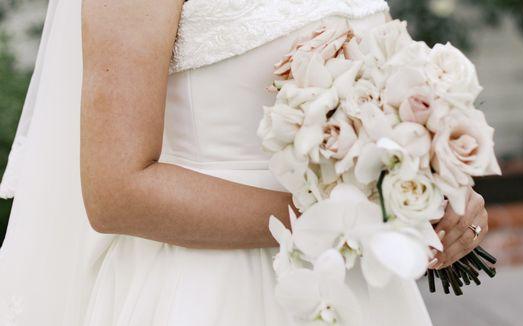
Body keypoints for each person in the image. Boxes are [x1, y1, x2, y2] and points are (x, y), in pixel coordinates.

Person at [0, 0, 488, 325]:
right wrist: (358, 221)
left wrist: (429, 186)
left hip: (353, 288)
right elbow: (117, 192)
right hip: (209, 289)